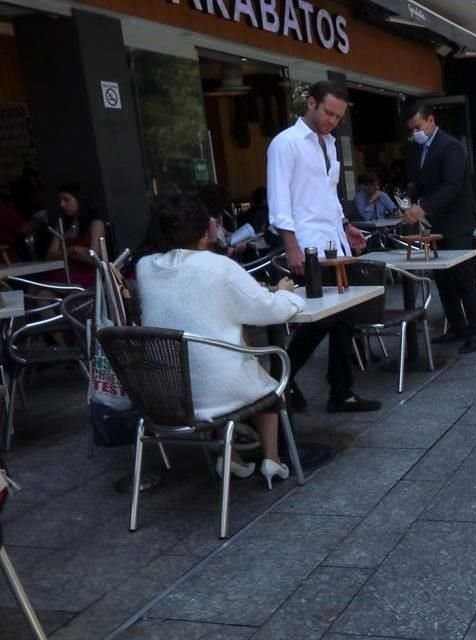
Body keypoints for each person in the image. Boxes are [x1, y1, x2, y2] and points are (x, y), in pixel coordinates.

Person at [137, 194, 302, 488]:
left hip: (164, 395)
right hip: (217, 390)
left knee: (210, 359)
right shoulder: (219, 267)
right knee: (267, 380)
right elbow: (267, 309)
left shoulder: (145, 268)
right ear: (204, 232)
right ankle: (272, 460)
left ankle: (232, 457)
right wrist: (285, 292)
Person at [266, 81, 380, 413]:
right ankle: (281, 378)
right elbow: (279, 199)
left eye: (338, 116)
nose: (332, 121)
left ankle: (341, 392)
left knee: (343, 318)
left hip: (335, 243)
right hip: (308, 245)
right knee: (321, 319)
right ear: (311, 103)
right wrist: (292, 247)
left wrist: (346, 226)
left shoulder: (329, 145)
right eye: (328, 113)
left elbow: (328, 195)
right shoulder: (285, 144)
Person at [403, 102, 476, 354]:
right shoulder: (421, 149)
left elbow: (452, 185)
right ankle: (457, 326)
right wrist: (410, 195)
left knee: (463, 279)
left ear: (430, 120)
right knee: (443, 280)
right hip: (437, 224)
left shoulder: (450, 147)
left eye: (417, 127)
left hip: (457, 222)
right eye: (411, 129)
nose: (415, 132)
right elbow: (423, 180)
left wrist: (423, 207)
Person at [47, 184, 107, 289]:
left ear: (79, 199)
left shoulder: (95, 224)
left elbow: (93, 257)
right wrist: (72, 251)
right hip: (63, 275)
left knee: (44, 293)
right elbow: (50, 255)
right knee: (36, 290)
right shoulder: (62, 225)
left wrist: (64, 253)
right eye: (60, 201)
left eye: (66, 200)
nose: (62, 204)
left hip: (86, 278)